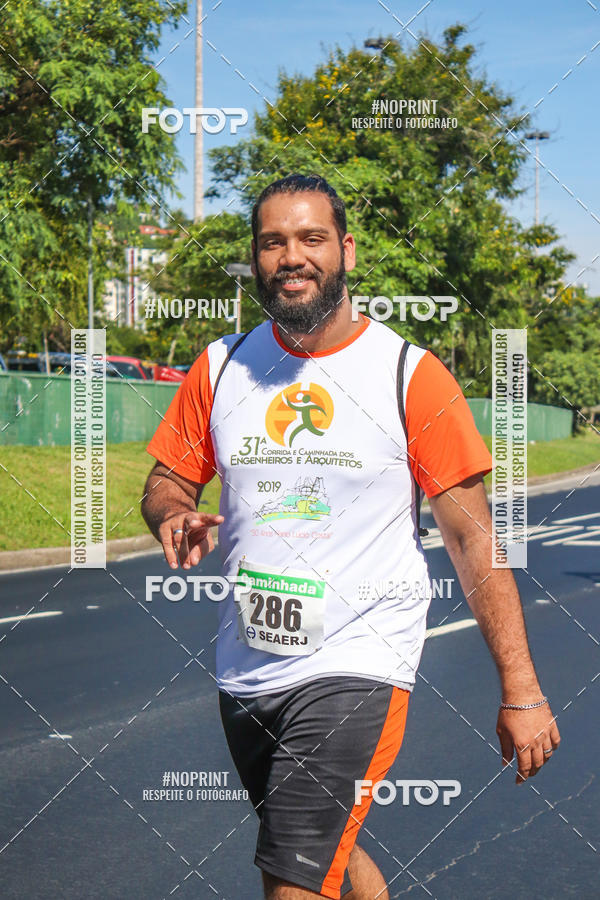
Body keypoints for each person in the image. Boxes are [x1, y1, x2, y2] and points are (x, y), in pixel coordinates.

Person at [142, 174, 560, 900]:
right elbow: (166, 482)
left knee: (291, 876)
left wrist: (520, 688)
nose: (291, 256)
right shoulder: (220, 367)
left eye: (311, 238)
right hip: (248, 667)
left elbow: (472, 542)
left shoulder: (409, 376)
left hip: (360, 661)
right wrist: (172, 514)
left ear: (346, 251)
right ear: (256, 258)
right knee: (326, 849)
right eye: (273, 242)